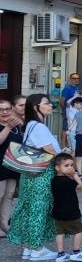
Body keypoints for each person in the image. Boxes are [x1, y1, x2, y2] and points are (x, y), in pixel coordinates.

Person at [8, 94, 60, 261]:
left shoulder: (30, 125)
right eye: (46, 103)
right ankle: (37, 249)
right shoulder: (39, 127)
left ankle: (29, 247)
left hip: (29, 173)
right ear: (36, 107)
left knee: (28, 208)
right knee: (39, 208)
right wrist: (65, 162)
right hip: (41, 174)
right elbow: (49, 149)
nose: (50, 106)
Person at [50, 152, 82, 262]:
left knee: (60, 233)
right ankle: (76, 252)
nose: (70, 168)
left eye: (71, 165)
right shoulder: (67, 181)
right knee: (78, 231)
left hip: (57, 212)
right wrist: (74, 175)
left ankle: (60, 254)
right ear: (57, 168)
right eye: (66, 165)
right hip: (71, 212)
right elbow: (80, 186)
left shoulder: (54, 180)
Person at [0, 99, 23, 239]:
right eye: (1, 109)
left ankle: (4, 225)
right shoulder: (9, 126)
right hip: (0, 167)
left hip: (12, 166)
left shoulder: (16, 125)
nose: (5, 112)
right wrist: (8, 127)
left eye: (7, 109)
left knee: (8, 196)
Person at [59, 72, 80, 147]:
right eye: (74, 78)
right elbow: (62, 100)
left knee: (71, 128)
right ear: (70, 79)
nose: (76, 80)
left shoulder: (77, 88)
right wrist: (64, 111)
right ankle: (63, 146)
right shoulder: (67, 88)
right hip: (68, 112)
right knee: (65, 128)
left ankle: (68, 146)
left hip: (74, 112)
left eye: (77, 78)